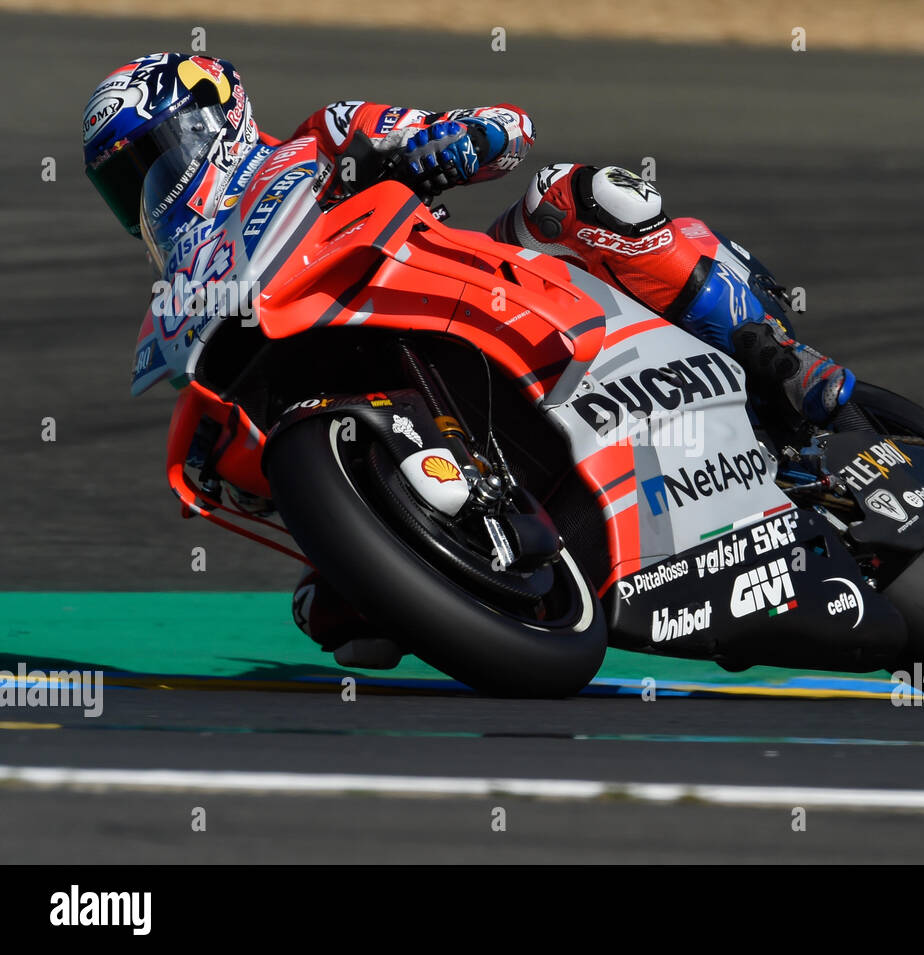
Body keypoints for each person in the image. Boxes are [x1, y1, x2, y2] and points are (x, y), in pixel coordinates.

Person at [83, 52, 857, 662]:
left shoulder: (322, 137)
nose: (147, 188)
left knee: (584, 196)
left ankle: (777, 357)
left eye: (153, 155)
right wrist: (341, 544)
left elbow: (505, 125)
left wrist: (455, 142)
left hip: (480, 294)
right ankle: (444, 547)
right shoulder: (197, 288)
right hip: (372, 382)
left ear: (215, 116)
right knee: (337, 622)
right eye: (125, 183)